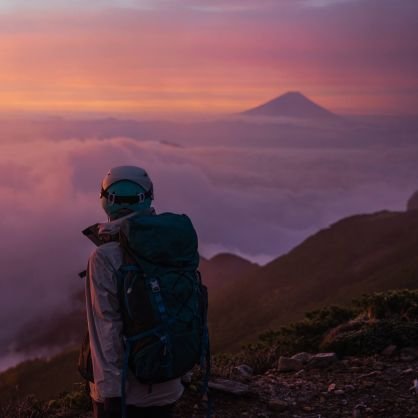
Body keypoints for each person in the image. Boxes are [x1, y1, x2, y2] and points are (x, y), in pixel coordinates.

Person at [85, 166, 184, 418]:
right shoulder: (173, 242)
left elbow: (107, 327)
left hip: (127, 395)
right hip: (169, 382)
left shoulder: (104, 257)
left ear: (106, 201)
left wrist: (111, 396)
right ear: (148, 198)